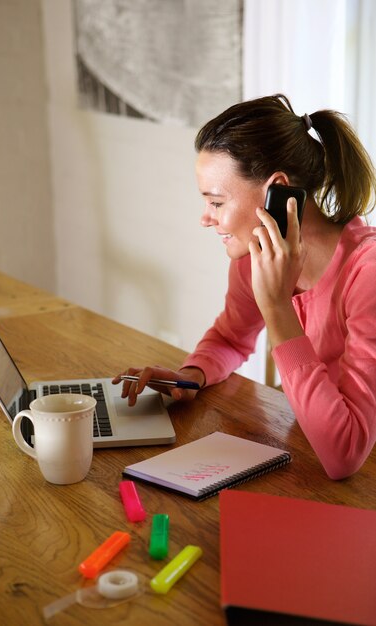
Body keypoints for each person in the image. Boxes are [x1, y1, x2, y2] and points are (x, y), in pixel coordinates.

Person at [113, 94, 376, 480]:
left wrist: (278, 309)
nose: (205, 218)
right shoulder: (255, 257)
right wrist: (190, 376)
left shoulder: (366, 274)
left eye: (216, 202)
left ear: (278, 193)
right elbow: (231, 338)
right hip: (304, 451)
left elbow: (345, 452)